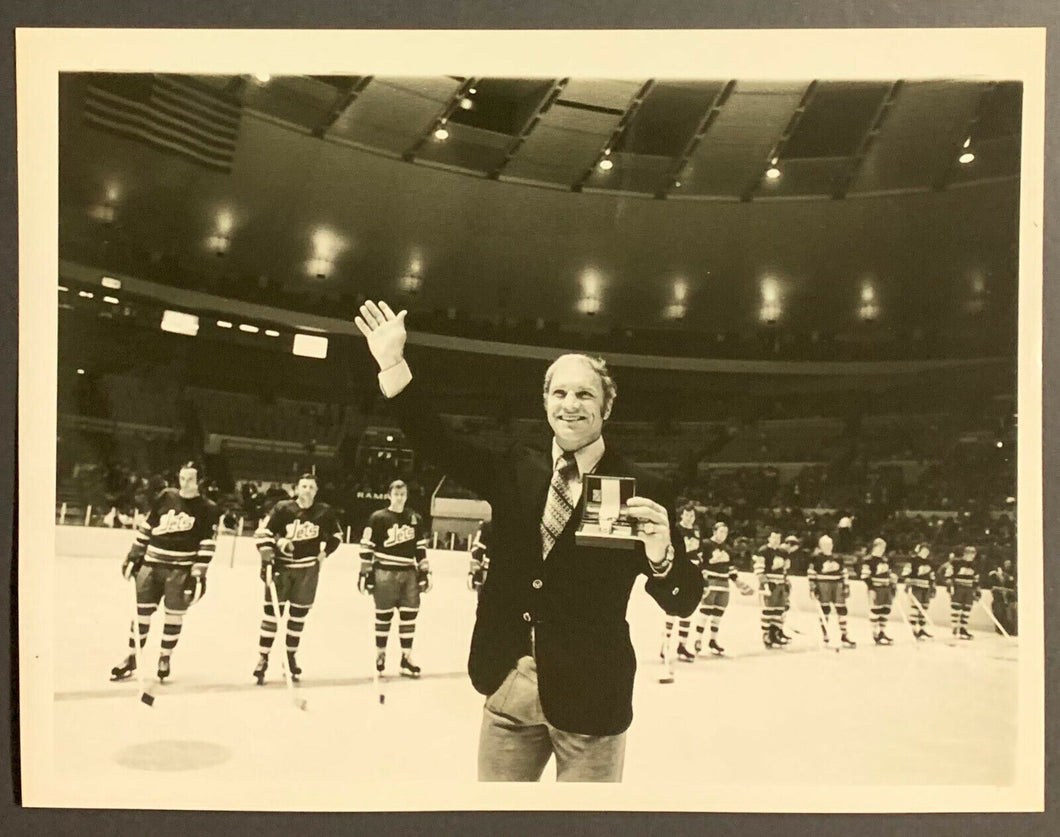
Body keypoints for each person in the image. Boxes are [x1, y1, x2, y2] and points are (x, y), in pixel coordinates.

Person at [354, 300, 701, 782]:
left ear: (607, 405)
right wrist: (393, 364)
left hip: (592, 702)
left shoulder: (643, 490)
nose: (571, 404)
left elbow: (684, 599)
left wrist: (663, 557)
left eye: (584, 393)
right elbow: (437, 442)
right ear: (545, 402)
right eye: (559, 392)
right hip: (509, 687)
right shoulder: (515, 469)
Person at [110, 461, 219, 683]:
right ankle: (132, 657)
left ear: (199, 481)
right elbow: (148, 527)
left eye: (190, 479)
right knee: (141, 613)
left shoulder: (208, 508)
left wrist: (199, 573)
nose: (185, 483)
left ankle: (164, 657)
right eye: (182, 478)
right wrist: (134, 554)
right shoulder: (166, 496)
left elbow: (208, 543)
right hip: (152, 564)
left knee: (173, 614)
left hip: (180, 570)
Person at [253, 473, 342, 684]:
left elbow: (337, 536)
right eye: (304, 486)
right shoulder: (283, 508)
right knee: (271, 616)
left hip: (308, 572)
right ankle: (263, 658)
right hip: (282, 570)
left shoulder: (324, 512)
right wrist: (271, 552)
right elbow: (263, 534)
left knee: (297, 617)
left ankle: (290, 657)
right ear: (297, 489)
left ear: (316, 491)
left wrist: (324, 553)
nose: (307, 490)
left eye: (311, 487)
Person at [358, 479, 432, 678]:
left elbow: (420, 548)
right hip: (385, 571)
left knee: (409, 616)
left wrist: (424, 572)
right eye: (396, 494)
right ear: (389, 496)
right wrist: (365, 573)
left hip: (409, 573)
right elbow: (367, 547)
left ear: (406, 496)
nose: (399, 498)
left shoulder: (414, 518)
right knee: (384, 615)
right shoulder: (378, 517)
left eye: (403, 494)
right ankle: (380, 654)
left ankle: (406, 658)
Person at [661, 502, 702, 660]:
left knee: (688, 609)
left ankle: (682, 646)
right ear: (682, 515)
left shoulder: (697, 532)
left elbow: (699, 552)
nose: (690, 518)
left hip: (691, 572)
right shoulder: (676, 530)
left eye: (692, 515)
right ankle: (665, 644)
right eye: (687, 515)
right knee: (671, 609)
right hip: (677, 571)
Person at [807, 534, 857, 649]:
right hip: (823, 585)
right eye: (825, 544)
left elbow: (844, 572)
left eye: (829, 544)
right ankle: (825, 634)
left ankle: (844, 635)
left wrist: (846, 585)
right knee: (825, 609)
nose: (828, 546)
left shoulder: (837, 558)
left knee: (842, 609)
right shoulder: (815, 558)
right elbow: (811, 573)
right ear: (820, 546)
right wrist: (813, 587)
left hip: (838, 585)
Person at [753, 530, 789, 649]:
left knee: (778, 611)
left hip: (780, 584)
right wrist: (766, 584)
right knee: (768, 611)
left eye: (778, 538)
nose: (776, 541)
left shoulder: (783, 552)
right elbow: (759, 570)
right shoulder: (763, 551)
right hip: (769, 584)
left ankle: (775, 634)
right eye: (774, 538)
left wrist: (785, 583)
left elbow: (784, 570)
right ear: (769, 539)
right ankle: (766, 635)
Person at [861, 537, 898, 645]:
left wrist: (892, 580)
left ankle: (882, 632)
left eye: (884, 547)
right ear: (876, 547)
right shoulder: (868, 560)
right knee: (875, 610)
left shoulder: (885, 560)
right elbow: (865, 576)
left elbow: (888, 573)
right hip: (876, 588)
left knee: (885, 610)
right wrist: (871, 588)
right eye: (882, 547)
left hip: (886, 588)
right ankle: (875, 632)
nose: (883, 549)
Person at [900, 543, 937, 639]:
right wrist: (907, 581)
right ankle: (913, 629)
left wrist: (933, 587)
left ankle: (921, 629)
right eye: (924, 550)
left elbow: (932, 577)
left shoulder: (929, 563)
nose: (926, 552)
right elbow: (905, 574)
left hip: (926, 588)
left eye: (927, 551)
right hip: (915, 587)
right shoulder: (912, 561)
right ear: (919, 550)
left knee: (924, 608)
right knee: (915, 608)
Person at [945, 546, 981, 640]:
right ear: (964, 553)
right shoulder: (956, 562)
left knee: (966, 609)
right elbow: (948, 574)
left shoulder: (975, 564)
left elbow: (976, 578)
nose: (972, 555)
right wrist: (949, 584)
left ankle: (963, 629)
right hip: (958, 588)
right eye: (970, 553)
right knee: (957, 608)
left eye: (973, 554)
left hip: (969, 589)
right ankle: (955, 628)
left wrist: (977, 590)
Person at [988, 559, 1017, 635]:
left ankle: (1009, 630)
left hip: (1007, 600)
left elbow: (1013, 589)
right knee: (999, 614)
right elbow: (992, 587)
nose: (1008, 565)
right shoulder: (995, 576)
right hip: (998, 600)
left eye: (1009, 564)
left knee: (1008, 616)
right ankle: (1000, 630)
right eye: (1006, 564)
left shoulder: (1010, 576)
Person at [469, 519, 492, 598]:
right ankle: (476, 575)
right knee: (476, 553)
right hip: (486, 551)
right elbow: (477, 541)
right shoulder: (485, 525)